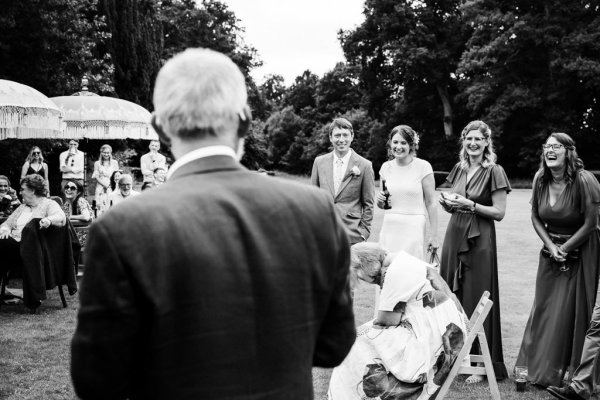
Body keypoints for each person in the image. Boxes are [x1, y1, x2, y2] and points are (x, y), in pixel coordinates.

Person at [71, 48, 355, 400]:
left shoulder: (122, 228)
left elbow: (97, 380)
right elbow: (333, 346)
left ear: (159, 127)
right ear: (246, 120)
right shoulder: (315, 210)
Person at [515, 132, 600, 393]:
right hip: (551, 251)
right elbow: (535, 218)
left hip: (584, 249)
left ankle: (576, 377)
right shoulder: (541, 178)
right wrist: (552, 247)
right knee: (545, 308)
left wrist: (566, 247)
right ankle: (542, 370)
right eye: (547, 146)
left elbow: (591, 224)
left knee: (575, 310)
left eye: (556, 147)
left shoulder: (585, 181)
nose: (549, 150)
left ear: (568, 151)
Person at [328, 242, 467, 400]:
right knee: (362, 337)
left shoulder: (395, 272)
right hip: (444, 333)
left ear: (365, 264)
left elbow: (388, 320)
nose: (366, 281)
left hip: (432, 343)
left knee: (355, 343)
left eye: (358, 274)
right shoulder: (402, 260)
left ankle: (345, 395)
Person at [439, 120, 511, 381]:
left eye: (478, 139)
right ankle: (452, 357)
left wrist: (471, 205)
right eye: (469, 139)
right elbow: (453, 198)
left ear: (486, 142)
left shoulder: (495, 170)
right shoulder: (459, 168)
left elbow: (499, 212)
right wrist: (448, 205)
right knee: (451, 295)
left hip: (480, 238)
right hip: (454, 233)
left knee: (477, 296)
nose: (472, 143)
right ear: (464, 141)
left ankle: (483, 364)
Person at [376, 125, 438, 259]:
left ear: (411, 145)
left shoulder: (423, 166)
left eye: (403, 143)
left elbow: (431, 202)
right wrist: (379, 201)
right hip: (390, 226)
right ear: (390, 144)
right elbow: (384, 204)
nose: (399, 146)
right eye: (395, 142)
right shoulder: (385, 168)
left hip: (413, 227)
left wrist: (434, 236)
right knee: (387, 269)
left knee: (411, 268)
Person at [311, 117, 375, 244]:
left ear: (352, 136)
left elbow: (369, 204)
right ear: (330, 138)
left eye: (345, 135)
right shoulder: (319, 162)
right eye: (337, 135)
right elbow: (313, 198)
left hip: (352, 234)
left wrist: (363, 233)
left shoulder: (364, 165)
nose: (341, 140)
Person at [0, 175, 66, 287]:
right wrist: (5, 229)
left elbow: (61, 217)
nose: (20, 193)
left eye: (22, 189)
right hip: (14, 247)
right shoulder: (22, 207)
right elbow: (7, 223)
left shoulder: (48, 204)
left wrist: (48, 220)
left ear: (32, 190)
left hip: (33, 250)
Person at [91, 144, 119, 216]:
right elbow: (96, 177)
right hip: (101, 186)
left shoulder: (114, 162)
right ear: (101, 153)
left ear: (110, 153)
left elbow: (117, 175)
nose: (106, 154)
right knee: (100, 205)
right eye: (104, 152)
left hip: (111, 185)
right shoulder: (97, 163)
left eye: (108, 153)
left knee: (111, 203)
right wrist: (104, 184)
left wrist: (112, 184)